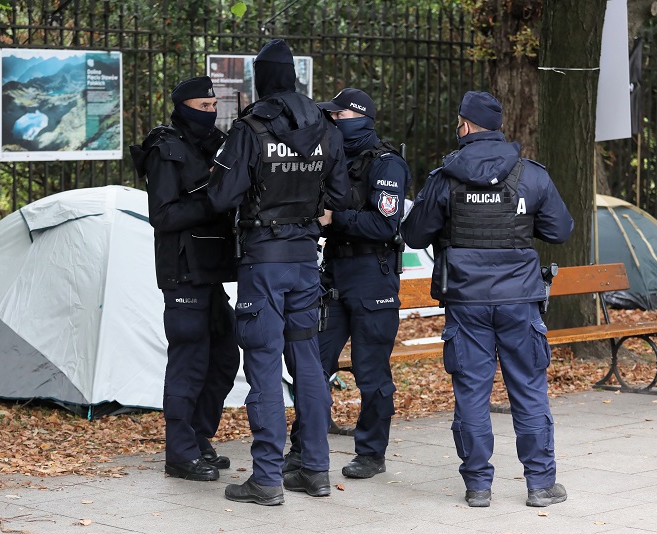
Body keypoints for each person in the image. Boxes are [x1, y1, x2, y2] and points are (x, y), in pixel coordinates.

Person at [401, 91, 574, 507]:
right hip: (520, 303)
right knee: (529, 390)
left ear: (464, 125)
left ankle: (478, 486)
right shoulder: (531, 175)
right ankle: (540, 484)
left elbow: (413, 234)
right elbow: (560, 231)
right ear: (497, 126)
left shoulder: (445, 178)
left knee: (472, 393)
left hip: (465, 303)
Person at [208, 39, 351, 505]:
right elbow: (342, 193)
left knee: (265, 366)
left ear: (261, 78)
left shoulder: (250, 127)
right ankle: (315, 470)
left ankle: (267, 477)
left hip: (263, 261)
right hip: (305, 259)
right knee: (308, 363)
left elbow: (219, 196)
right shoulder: (325, 128)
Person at [284, 88, 411, 479]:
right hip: (334, 276)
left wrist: (334, 219)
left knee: (371, 372)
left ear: (359, 119)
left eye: (336, 118)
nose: (330, 124)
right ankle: (303, 450)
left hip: (373, 278)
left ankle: (371, 453)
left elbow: (384, 225)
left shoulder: (387, 165)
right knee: (313, 365)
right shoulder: (331, 160)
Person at [129, 76, 240, 482]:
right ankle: (179, 453)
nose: (211, 113)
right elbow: (163, 216)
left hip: (211, 273)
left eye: (214, 107)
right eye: (204, 107)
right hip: (183, 272)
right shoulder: (165, 149)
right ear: (183, 107)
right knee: (189, 363)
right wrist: (213, 201)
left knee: (226, 356)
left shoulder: (213, 144)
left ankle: (197, 438)